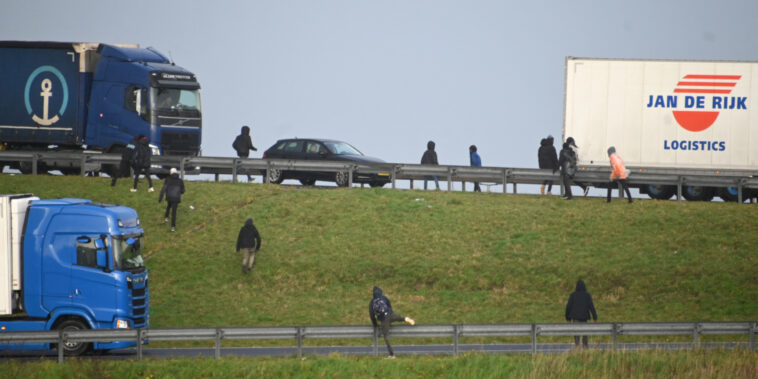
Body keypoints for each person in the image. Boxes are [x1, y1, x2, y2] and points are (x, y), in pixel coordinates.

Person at [369, 286, 415, 359]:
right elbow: (389, 306)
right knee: (400, 318)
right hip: (390, 314)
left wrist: (375, 324)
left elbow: (372, 315)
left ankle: (392, 355)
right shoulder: (384, 298)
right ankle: (405, 318)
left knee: (386, 337)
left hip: (383, 319)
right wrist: (391, 313)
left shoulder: (372, 301)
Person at [565, 279, 598, 348]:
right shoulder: (587, 295)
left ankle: (577, 347)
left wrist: (567, 317)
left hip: (575, 318)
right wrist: (595, 317)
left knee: (576, 334)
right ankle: (585, 347)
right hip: (584, 317)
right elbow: (591, 307)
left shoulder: (573, 295)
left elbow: (568, 306)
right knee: (585, 333)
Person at [158, 168, 186, 232]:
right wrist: (179, 192)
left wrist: (160, 198)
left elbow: (163, 189)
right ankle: (173, 227)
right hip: (176, 198)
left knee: (168, 205)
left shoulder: (167, 179)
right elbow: (183, 191)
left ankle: (166, 218)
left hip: (169, 197)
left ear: (171, 173)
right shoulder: (180, 180)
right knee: (174, 212)